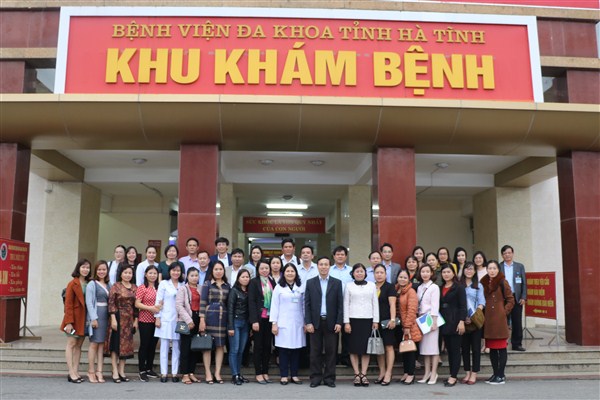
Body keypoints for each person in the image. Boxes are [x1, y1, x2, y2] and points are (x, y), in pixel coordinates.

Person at [304, 256, 343, 388]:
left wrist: (339, 322)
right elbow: (307, 304)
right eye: (321, 264)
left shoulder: (336, 283)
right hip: (315, 322)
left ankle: (329, 378)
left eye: (326, 264)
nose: (323, 267)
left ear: (329, 266)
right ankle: (315, 378)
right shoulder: (310, 282)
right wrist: (308, 322)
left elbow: (340, 305)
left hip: (331, 322)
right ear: (317, 266)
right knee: (315, 352)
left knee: (331, 352)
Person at [343, 263, 379, 387]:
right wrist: (346, 322)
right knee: (353, 348)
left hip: (368, 320)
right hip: (353, 320)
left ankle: (364, 374)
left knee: (365, 349)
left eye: (361, 271)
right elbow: (346, 304)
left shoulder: (372, 285)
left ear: (365, 273)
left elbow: (375, 303)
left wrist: (375, 321)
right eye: (357, 271)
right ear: (353, 273)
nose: (359, 273)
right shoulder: (349, 286)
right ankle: (356, 374)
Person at [480, 260, 515, 385]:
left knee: (501, 348)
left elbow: (511, 300)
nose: (492, 271)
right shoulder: (483, 282)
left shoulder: (502, 281)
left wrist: (503, 312)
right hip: (488, 319)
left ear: (498, 269)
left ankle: (501, 375)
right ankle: (495, 373)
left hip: (499, 320)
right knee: (492, 349)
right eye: (490, 268)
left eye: (494, 268)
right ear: (487, 270)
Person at [270, 263, 305, 385]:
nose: (290, 273)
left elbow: (304, 306)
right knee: (283, 350)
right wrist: (274, 323)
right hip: (282, 323)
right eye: (287, 271)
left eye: (292, 271)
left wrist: (306, 322)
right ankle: (284, 376)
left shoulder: (301, 287)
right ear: (283, 273)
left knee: (296, 350)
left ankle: (294, 375)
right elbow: (274, 306)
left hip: (298, 323)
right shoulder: (278, 288)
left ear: (296, 273)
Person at [199, 260, 230, 384]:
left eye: (220, 269)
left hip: (223, 318)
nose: (218, 271)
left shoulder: (227, 285)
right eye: (216, 269)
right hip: (210, 316)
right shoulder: (207, 284)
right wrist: (202, 319)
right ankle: (207, 372)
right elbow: (203, 302)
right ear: (212, 271)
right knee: (208, 346)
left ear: (224, 271)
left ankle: (217, 373)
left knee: (220, 345)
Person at [106, 264, 138, 383]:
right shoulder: (116, 286)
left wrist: (136, 320)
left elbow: (136, 306)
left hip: (129, 319)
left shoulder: (135, 287)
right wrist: (113, 318)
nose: (128, 275)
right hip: (118, 317)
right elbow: (111, 303)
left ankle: (121, 370)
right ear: (120, 274)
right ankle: (114, 370)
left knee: (126, 346)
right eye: (125, 272)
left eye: (130, 273)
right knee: (115, 346)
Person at [61, 259, 91, 383]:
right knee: (71, 343)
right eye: (83, 267)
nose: (85, 269)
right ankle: (71, 372)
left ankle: (76, 370)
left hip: (84, 319)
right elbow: (68, 304)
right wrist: (68, 322)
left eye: (88, 267)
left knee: (79, 345)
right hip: (73, 320)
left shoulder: (90, 283)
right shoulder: (72, 283)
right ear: (78, 268)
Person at [248, 258, 276, 384]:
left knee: (267, 346)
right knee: (258, 346)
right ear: (258, 269)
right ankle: (258, 373)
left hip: (270, 319)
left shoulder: (272, 281)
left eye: (266, 268)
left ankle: (265, 372)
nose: (264, 270)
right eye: (262, 268)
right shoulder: (254, 282)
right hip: (259, 319)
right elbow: (251, 302)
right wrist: (254, 320)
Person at [154, 262, 183, 382]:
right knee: (164, 347)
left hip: (179, 319)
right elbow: (158, 301)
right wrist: (157, 317)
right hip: (165, 318)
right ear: (169, 271)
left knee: (176, 347)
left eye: (178, 270)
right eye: (173, 270)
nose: (176, 273)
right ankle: (164, 373)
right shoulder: (164, 284)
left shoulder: (183, 285)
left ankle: (175, 373)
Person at [439, 263, 467, 387]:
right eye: (444, 272)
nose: (446, 274)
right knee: (449, 350)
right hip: (444, 322)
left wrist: (461, 321)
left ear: (453, 273)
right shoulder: (440, 287)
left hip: (455, 321)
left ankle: (454, 377)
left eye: (448, 272)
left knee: (455, 350)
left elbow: (463, 306)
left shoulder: (459, 287)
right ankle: (451, 374)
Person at [460, 262, 486, 385]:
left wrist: (474, 316)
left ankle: (474, 373)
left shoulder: (478, 285)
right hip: (462, 321)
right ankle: (467, 372)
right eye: (467, 269)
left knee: (476, 349)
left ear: (475, 271)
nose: (469, 271)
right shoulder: (459, 285)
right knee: (464, 349)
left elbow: (481, 303)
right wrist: (463, 318)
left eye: (471, 269)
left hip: (474, 321)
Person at [176, 267, 202, 384]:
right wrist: (189, 320)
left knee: (195, 348)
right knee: (185, 348)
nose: (194, 278)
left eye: (196, 275)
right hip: (185, 320)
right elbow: (179, 306)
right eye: (192, 275)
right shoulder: (183, 288)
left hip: (198, 318)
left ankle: (191, 372)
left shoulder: (201, 288)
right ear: (187, 276)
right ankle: (184, 374)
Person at [135, 265, 161, 382]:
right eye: (150, 273)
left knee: (153, 345)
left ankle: (149, 368)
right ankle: (142, 370)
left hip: (157, 321)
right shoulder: (142, 287)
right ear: (145, 274)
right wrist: (151, 308)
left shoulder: (159, 287)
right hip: (145, 320)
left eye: (155, 273)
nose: (152, 275)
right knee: (144, 345)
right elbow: (137, 304)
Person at [86, 260, 111, 383]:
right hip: (97, 315)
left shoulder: (109, 284)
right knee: (94, 344)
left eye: (104, 269)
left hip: (106, 316)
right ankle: (91, 371)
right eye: (99, 269)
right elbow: (89, 302)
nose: (102, 272)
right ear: (96, 271)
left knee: (102, 345)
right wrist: (93, 318)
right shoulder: (92, 284)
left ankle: (99, 371)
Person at [396, 269, 422, 385]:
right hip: (400, 325)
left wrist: (407, 326)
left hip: (409, 325)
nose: (402, 279)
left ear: (409, 279)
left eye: (405, 277)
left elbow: (412, 310)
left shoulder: (411, 292)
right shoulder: (397, 290)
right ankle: (406, 372)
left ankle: (411, 374)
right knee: (405, 351)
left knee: (410, 350)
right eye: (400, 277)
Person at [499, 245, 527, 352]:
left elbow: (524, 283)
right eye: (505, 253)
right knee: (502, 321)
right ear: (502, 255)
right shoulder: (499, 266)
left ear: (512, 253)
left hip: (516, 297)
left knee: (517, 321)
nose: (507, 255)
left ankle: (517, 344)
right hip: (503, 297)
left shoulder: (520, 266)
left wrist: (523, 297)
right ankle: (502, 343)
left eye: (509, 253)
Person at [373, 264, 397, 386]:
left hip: (387, 321)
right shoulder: (371, 286)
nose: (379, 275)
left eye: (381, 272)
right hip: (375, 322)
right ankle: (382, 372)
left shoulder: (389, 286)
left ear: (386, 274)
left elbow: (392, 304)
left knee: (388, 346)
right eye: (377, 272)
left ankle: (388, 372)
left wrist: (392, 319)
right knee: (379, 348)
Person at [328, 245, 352, 366]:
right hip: (332, 305)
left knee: (347, 332)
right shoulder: (329, 270)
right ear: (334, 256)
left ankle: (346, 357)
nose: (340, 256)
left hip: (349, 304)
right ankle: (334, 358)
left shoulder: (351, 271)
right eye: (338, 254)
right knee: (333, 333)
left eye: (342, 254)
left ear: (346, 256)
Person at [416, 264, 440, 385]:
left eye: (427, 271)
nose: (425, 274)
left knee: (433, 348)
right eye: (423, 271)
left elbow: (435, 305)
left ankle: (434, 373)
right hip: (422, 318)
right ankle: (427, 373)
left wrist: (434, 321)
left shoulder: (434, 287)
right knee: (425, 348)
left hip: (431, 317)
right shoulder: (419, 287)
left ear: (431, 273)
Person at [227, 269, 251, 385]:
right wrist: (230, 327)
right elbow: (230, 309)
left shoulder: (249, 290)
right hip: (235, 322)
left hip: (245, 323)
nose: (245, 279)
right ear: (238, 278)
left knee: (241, 350)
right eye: (243, 277)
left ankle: (239, 373)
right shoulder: (234, 291)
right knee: (234, 349)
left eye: (247, 277)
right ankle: (234, 374)